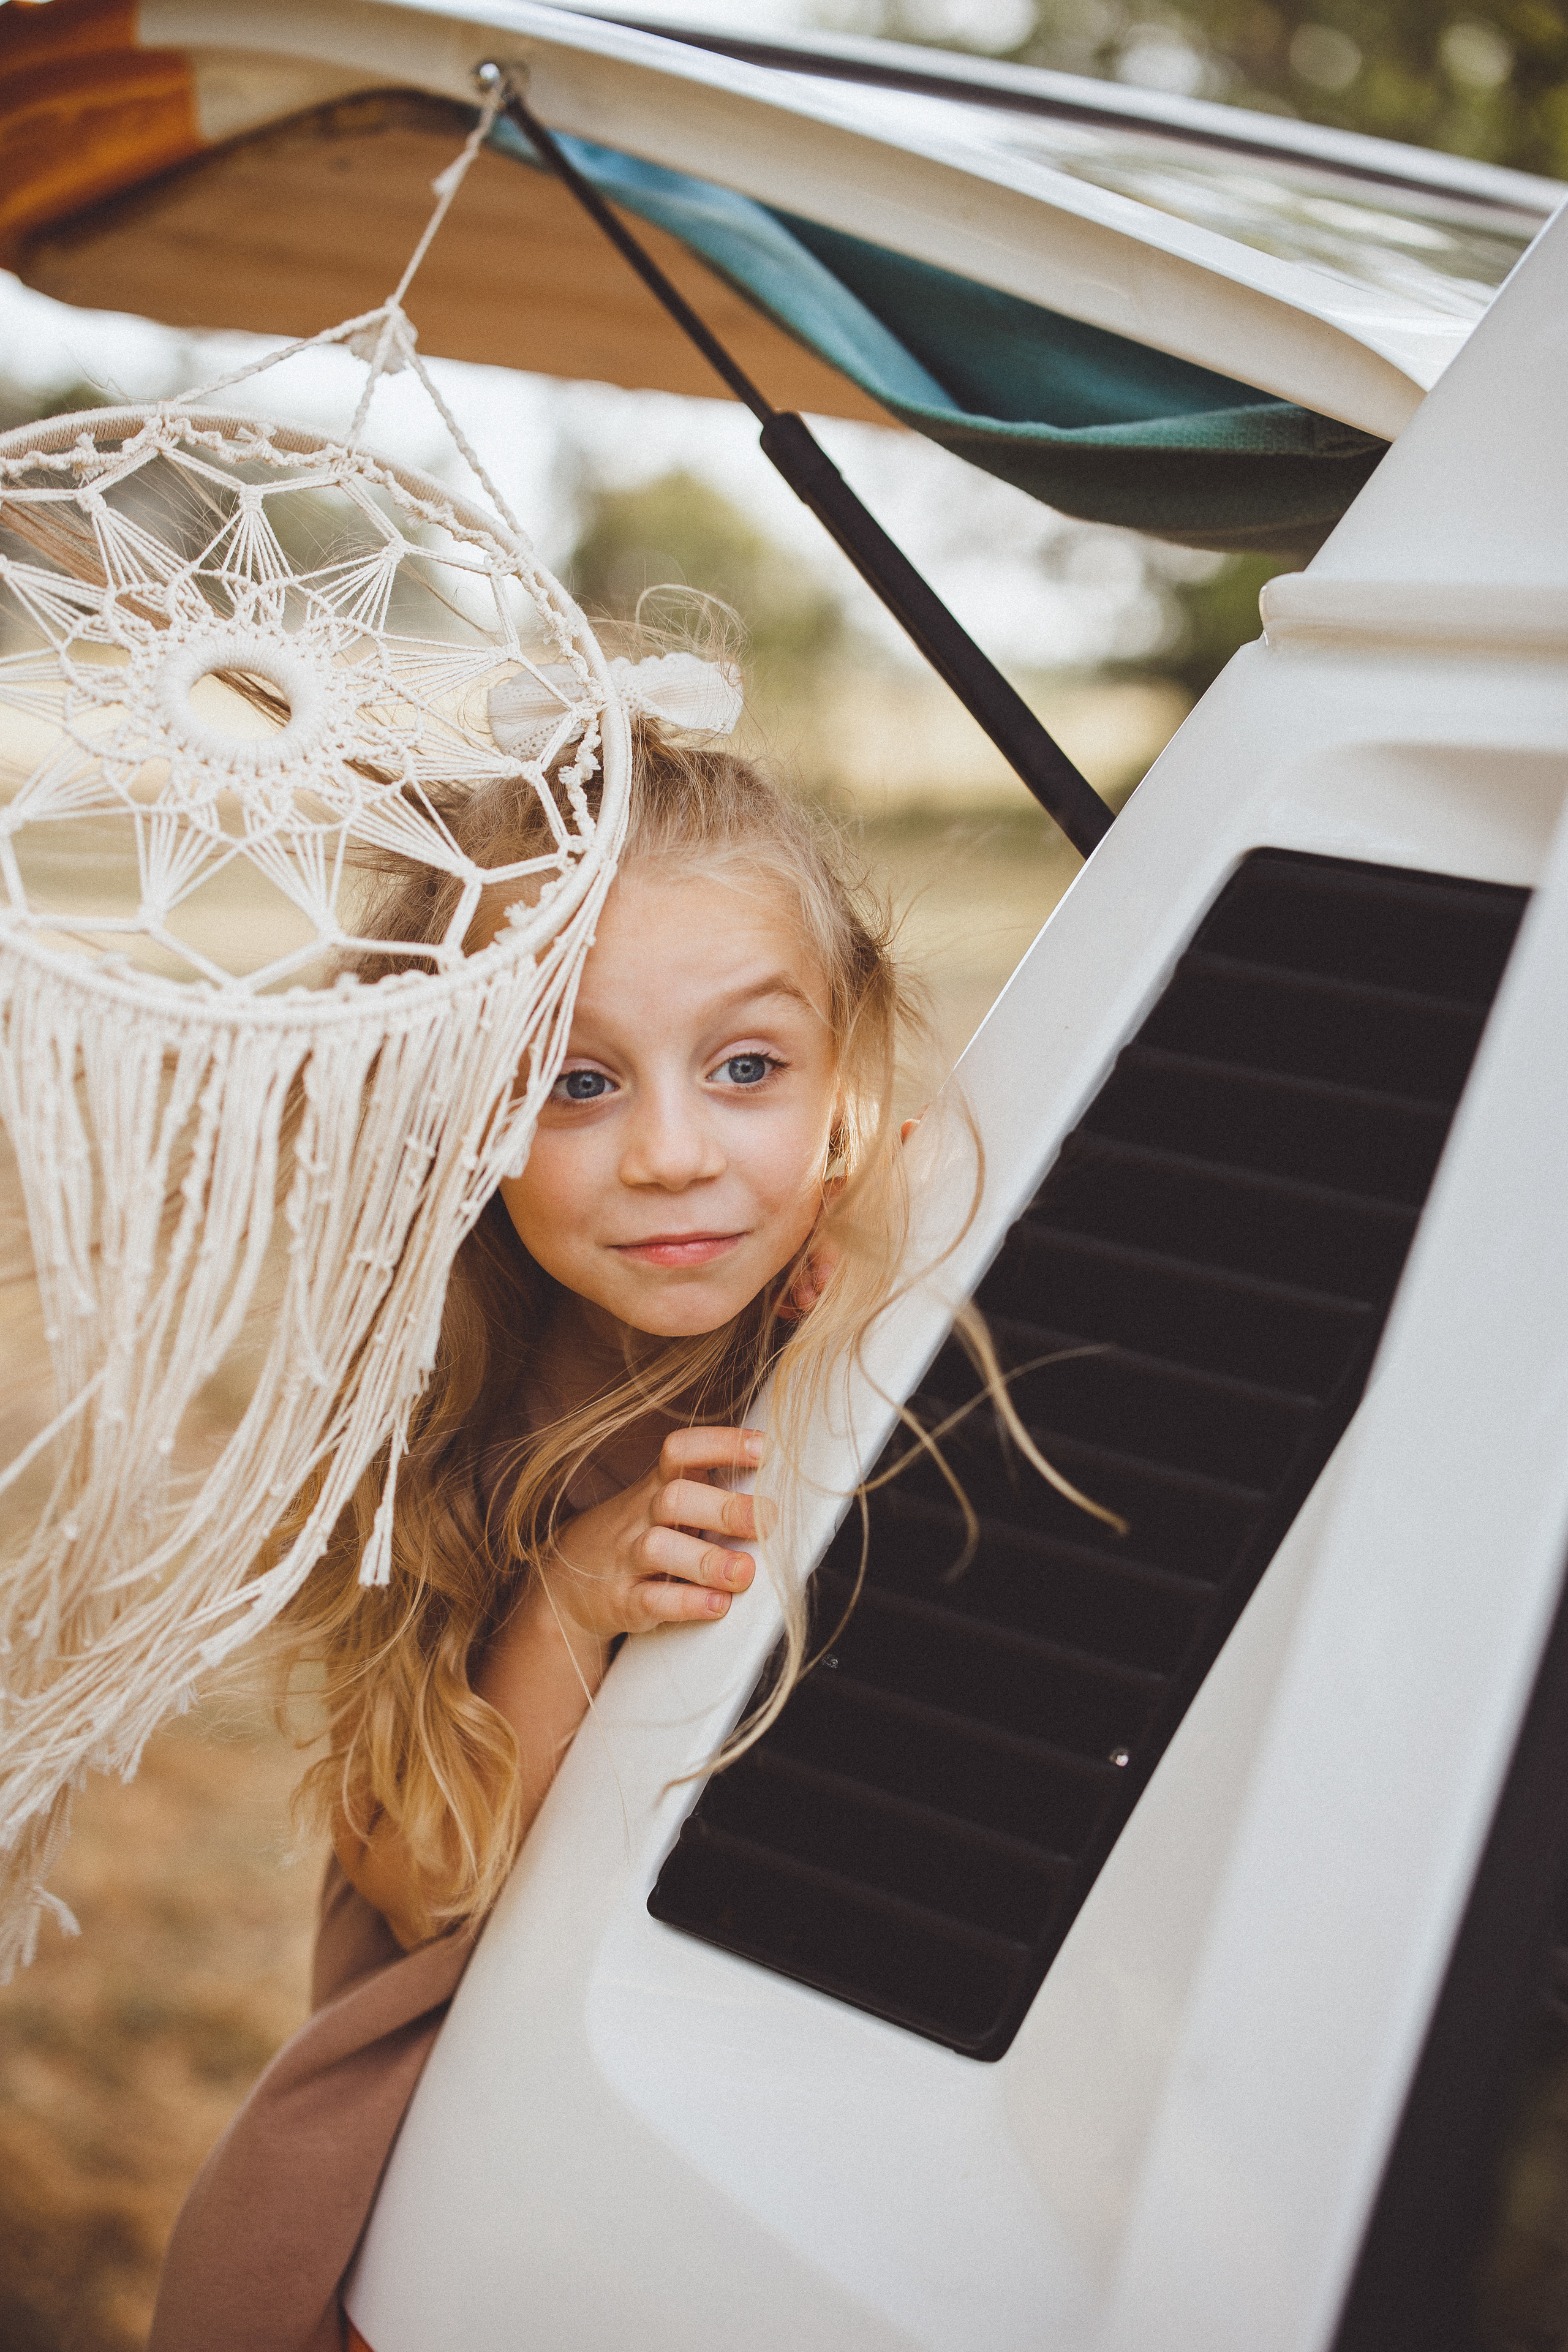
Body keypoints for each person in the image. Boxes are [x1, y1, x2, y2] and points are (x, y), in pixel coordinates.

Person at [149, 705, 947, 2352]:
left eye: (747, 1067)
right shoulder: (454, 1413)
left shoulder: (908, 1281)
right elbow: (414, 1880)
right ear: (459, 1110)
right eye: (575, 1083)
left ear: (845, 1063)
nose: (673, 1157)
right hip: (484, 2166)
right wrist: (573, 1601)